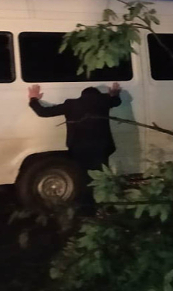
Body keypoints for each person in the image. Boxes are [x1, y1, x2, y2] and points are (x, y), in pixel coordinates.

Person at [27, 83, 122, 216]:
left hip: (79, 148)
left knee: (83, 178)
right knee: (102, 178)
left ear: (81, 96)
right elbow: (116, 102)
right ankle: (106, 207)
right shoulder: (103, 102)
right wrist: (114, 94)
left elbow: (43, 112)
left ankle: (86, 210)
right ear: (98, 96)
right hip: (101, 148)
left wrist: (33, 99)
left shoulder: (71, 104)